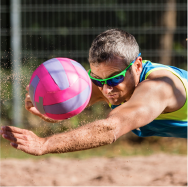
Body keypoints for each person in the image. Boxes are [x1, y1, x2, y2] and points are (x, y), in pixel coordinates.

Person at [1, 28, 188, 156]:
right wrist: (46, 107)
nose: (106, 90)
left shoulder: (159, 87)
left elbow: (109, 129)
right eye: (98, 80)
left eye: (115, 78)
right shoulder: (108, 85)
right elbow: (68, 108)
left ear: (137, 65)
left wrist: (45, 144)